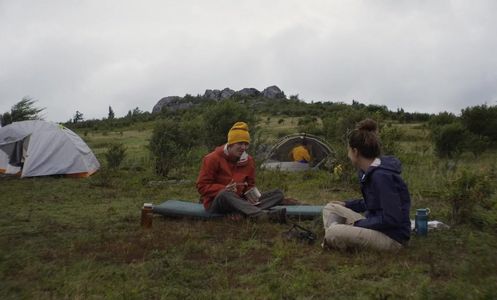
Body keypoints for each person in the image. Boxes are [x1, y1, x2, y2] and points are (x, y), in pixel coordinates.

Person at [322, 119, 411, 251]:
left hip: (392, 237)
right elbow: (374, 202)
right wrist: (347, 205)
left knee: (333, 231)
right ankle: (336, 238)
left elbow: (392, 218)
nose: (348, 154)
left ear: (355, 151)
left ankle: (334, 238)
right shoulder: (368, 171)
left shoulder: (381, 177)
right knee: (331, 208)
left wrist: (359, 224)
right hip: (377, 225)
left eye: (348, 150)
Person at [196, 122, 287, 223]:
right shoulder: (212, 159)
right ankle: (261, 216)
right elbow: (202, 186)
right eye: (240, 143)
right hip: (217, 202)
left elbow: (250, 185)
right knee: (226, 194)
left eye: (246, 144)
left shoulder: (249, 161)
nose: (243, 147)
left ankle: (242, 212)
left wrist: (252, 194)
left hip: (241, 201)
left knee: (278, 194)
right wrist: (223, 188)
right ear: (230, 144)